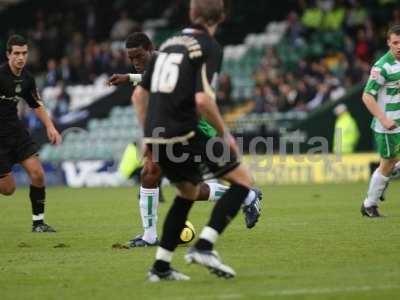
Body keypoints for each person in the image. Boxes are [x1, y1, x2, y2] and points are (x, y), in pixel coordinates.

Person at [133, 0, 257, 281]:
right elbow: (202, 98)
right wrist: (224, 132)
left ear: (191, 13)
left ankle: (161, 267)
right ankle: (204, 246)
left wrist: (148, 136)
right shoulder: (209, 47)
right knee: (243, 183)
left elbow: (139, 95)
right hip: (186, 132)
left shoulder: (167, 44)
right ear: (221, 17)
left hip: (158, 134)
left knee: (187, 193)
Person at [109, 32, 262, 247]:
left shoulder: (170, 63)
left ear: (150, 48)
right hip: (171, 129)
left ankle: (245, 195)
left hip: (194, 128)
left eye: (139, 56)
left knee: (190, 188)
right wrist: (129, 78)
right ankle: (150, 236)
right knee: (151, 173)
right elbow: (148, 79)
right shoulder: (154, 66)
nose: (135, 62)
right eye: (131, 58)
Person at [0, 35, 62, 232]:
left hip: (15, 131)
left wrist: (50, 127)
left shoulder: (27, 78)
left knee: (38, 174)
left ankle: (38, 223)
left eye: (24, 53)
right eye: (16, 53)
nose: (21, 57)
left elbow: (36, 104)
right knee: (8, 189)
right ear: (8, 55)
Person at [361, 25, 400, 217]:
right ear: (388, 43)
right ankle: (369, 204)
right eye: (395, 42)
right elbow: (367, 96)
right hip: (388, 127)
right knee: (388, 163)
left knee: (392, 164)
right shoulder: (382, 66)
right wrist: (383, 118)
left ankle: (383, 181)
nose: (399, 46)